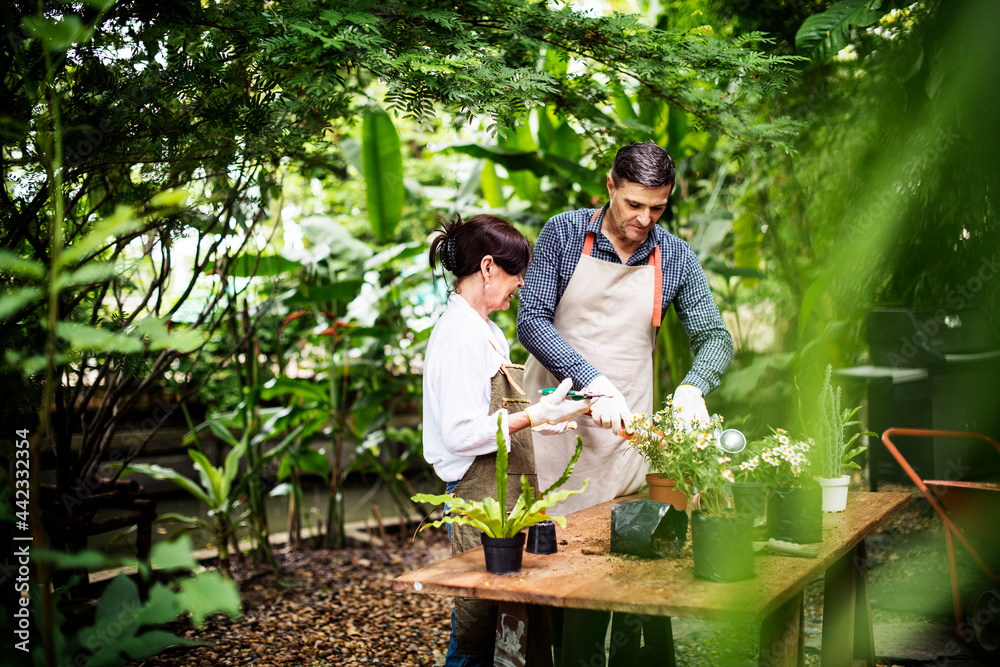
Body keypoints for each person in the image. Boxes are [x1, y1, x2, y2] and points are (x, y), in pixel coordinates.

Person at [516, 142, 734, 666]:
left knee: (631, 584)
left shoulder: (675, 255)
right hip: (555, 429)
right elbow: (531, 321)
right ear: (610, 186)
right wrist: (592, 381)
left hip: (625, 439)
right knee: (563, 597)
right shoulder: (565, 234)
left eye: (657, 208)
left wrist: (691, 387)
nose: (644, 219)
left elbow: (715, 337)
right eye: (634, 204)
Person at [423, 214, 593, 667]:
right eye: (515, 272)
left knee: (511, 629)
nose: (520, 283)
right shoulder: (460, 336)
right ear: (487, 268)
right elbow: (460, 435)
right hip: (477, 499)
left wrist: (548, 415)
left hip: (508, 500)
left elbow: (495, 414)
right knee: (477, 634)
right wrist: (533, 416)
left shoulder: (488, 331)